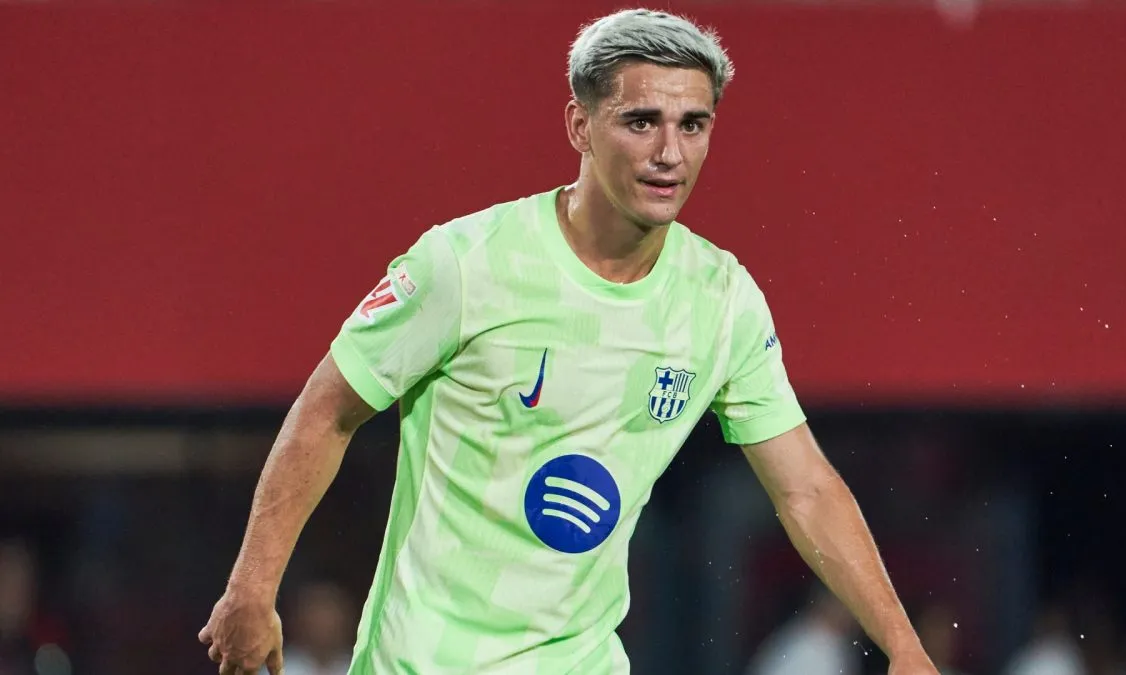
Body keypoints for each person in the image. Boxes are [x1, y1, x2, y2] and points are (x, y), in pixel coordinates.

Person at [199, 9, 937, 674]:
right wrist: (251, 590)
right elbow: (328, 410)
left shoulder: (722, 299)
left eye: (694, 124)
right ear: (580, 127)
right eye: (641, 120)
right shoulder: (465, 264)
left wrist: (903, 647)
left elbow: (804, 486)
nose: (670, 153)